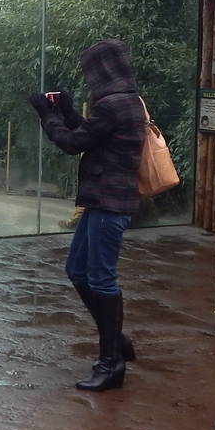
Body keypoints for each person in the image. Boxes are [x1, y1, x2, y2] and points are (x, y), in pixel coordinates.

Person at [29, 38, 146, 392]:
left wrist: (47, 116)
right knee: (77, 270)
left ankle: (111, 363)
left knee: (101, 279)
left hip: (110, 202)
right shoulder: (126, 101)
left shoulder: (113, 105)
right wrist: (65, 109)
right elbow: (91, 134)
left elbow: (72, 144)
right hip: (103, 201)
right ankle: (116, 339)